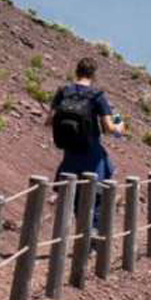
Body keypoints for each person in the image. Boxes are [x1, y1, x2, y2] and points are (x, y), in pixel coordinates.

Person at [48, 57, 124, 233]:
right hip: (92, 156)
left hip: (70, 155)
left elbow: (49, 120)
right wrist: (120, 125)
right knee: (96, 199)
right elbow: (108, 128)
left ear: (77, 71)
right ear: (94, 75)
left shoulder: (63, 91)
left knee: (73, 199)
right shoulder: (97, 96)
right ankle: (90, 245)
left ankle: (76, 241)